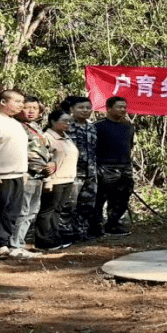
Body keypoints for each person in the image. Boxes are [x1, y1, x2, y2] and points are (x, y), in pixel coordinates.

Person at [0, 89, 37, 259]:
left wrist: (23, 171)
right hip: (0, 175)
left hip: (17, 175)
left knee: (11, 213)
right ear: (3, 102)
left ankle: (2, 244)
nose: (21, 105)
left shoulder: (16, 123)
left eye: (22, 102)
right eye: (17, 101)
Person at [11, 96, 52, 252]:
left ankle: (20, 242)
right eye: (27, 107)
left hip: (39, 175)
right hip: (25, 173)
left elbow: (45, 150)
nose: (31, 111)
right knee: (22, 210)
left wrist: (50, 166)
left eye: (35, 108)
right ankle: (14, 244)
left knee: (32, 211)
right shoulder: (16, 126)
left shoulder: (35, 127)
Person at [34, 109, 77, 251]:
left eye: (69, 121)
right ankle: (43, 240)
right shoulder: (46, 137)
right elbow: (44, 160)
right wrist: (48, 180)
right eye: (64, 121)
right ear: (52, 121)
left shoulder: (66, 137)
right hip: (54, 180)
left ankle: (53, 236)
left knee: (57, 210)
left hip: (67, 179)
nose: (68, 124)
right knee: (48, 210)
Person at [93, 96, 135, 236]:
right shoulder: (98, 127)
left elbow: (130, 146)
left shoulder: (128, 127)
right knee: (100, 198)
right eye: (119, 107)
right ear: (109, 109)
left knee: (122, 197)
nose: (123, 110)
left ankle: (113, 223)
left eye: (124, 107)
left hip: (124, 167)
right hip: (105, 167)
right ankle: (96, 225)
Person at [62, 95, 99, 241]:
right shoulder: (66, 126)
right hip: (72, 173)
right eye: (81, 107)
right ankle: (65, 234)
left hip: (90, 173)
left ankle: (82, 233)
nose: (85, 110)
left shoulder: (92, 127)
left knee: (87, 205)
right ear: (72, 109)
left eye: (88, 108)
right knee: (69, 206)